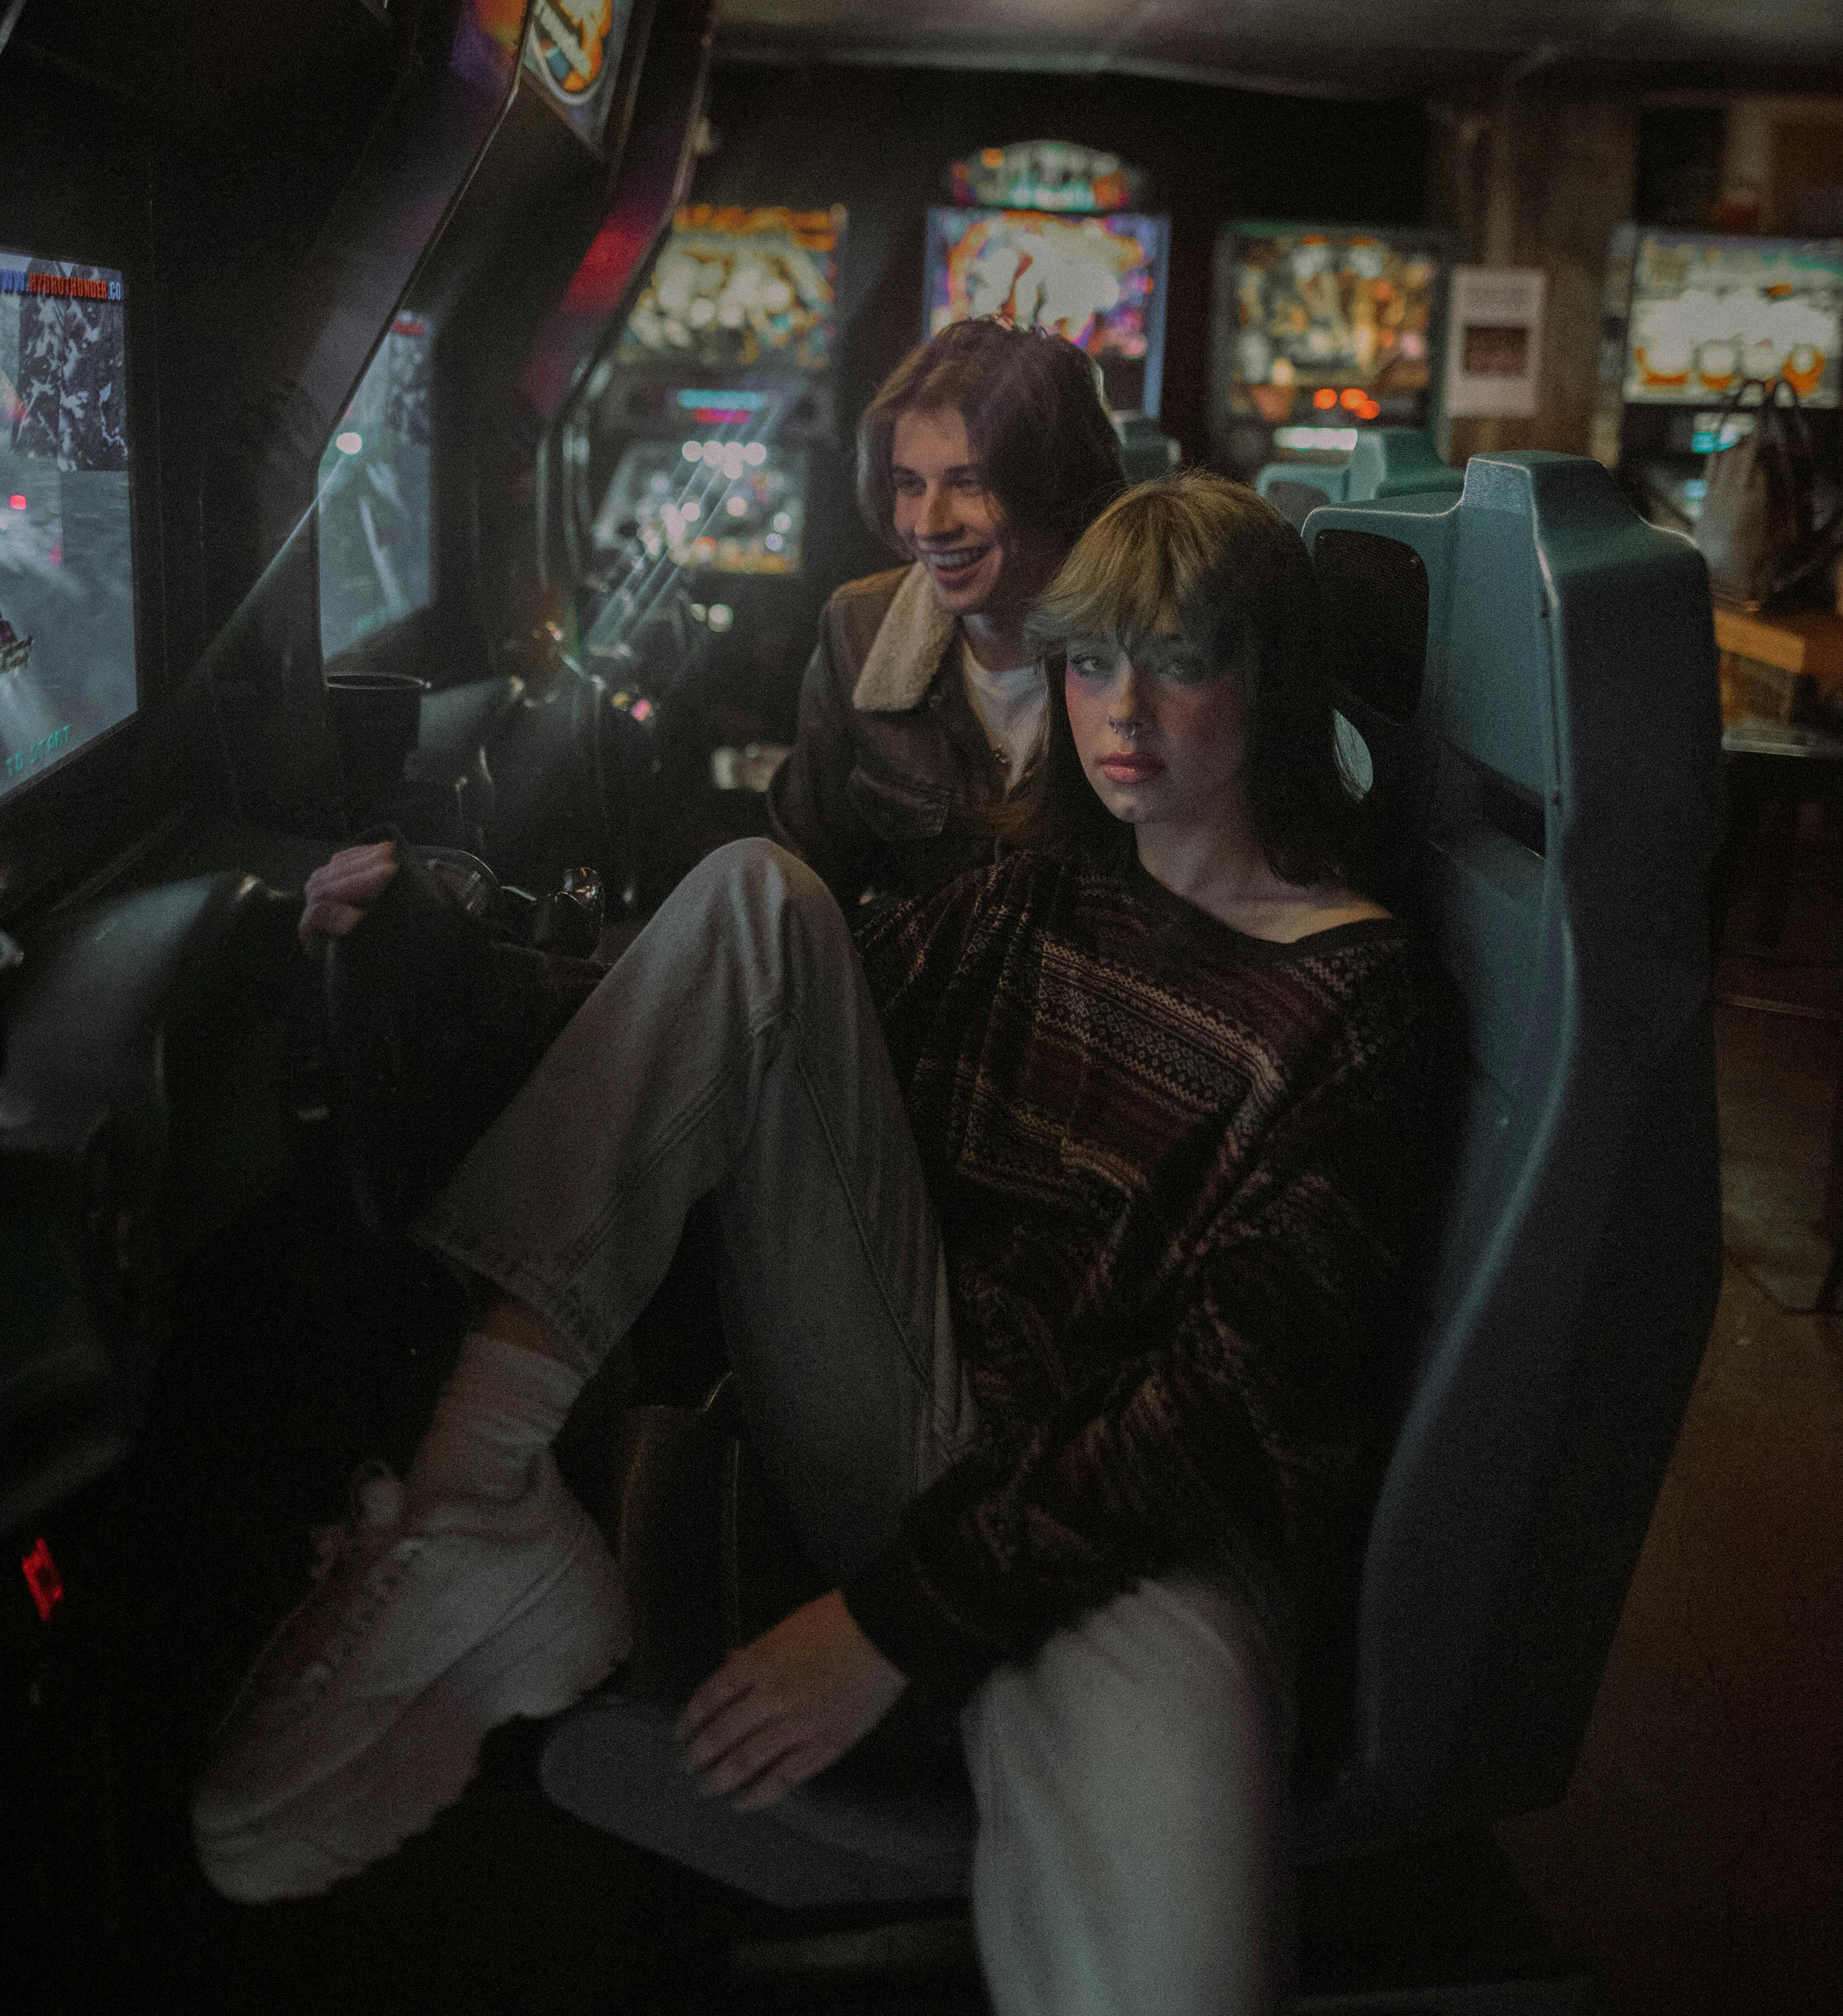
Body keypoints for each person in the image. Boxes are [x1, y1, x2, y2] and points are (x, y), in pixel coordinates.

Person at [193, 472, 1444, 2016]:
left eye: (1178, 660)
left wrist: (886, 1621)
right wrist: (430, 954)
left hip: (1148, 1543)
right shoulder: (1040, 891)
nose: (1121, 711)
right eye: (1090, 660)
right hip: (924, 1417)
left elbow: (1211, 1411)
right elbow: (707, 1020)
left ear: (1271, 679)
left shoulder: (1356, 1002)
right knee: (753, 897)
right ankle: (471, 1507)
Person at [765, 317, 1125, 911]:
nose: (928, 526)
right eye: (909, 484)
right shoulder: (861, 627)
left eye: (969, 482)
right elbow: (797, 885)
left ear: (1054, 482)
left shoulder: (1146, 635)